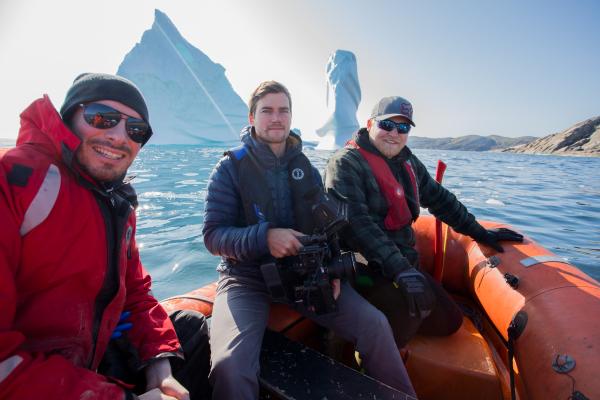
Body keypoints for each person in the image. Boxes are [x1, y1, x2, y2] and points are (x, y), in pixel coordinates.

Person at [0, 73, 210, 399]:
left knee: (191, 328)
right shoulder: (14, 182)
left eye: (136, 130)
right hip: (29, 379)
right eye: (101, 118)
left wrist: (159, 367)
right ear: (69, 116)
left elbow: (137, 295)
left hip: (85, 358)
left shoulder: (116, 205)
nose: (118, 136)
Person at [203, 81, 416, 399]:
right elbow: (213, 236)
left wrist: (330, 268)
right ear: (251, 118)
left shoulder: (305, 168)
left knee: (375, 325)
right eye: (267, 111)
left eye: (283, 110)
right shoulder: (229, 169)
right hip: (246, 278)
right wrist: (265, 238)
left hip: (302, 275)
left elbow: (325, 227)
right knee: (230, 365)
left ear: (290, 116)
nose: (276, 118)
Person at [324, 96, 524, 347]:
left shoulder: (407, 161)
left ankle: (383, 318)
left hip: (402, 263)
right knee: (409, 312)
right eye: (387, 125)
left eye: (403, 128)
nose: (394, 133)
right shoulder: (345, 163)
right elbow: (357, 226)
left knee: (450, 321)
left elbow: (440, 199)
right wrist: (400, 270)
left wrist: (479, 232)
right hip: (363, 265)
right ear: (370, 123)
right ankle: (352, 354)